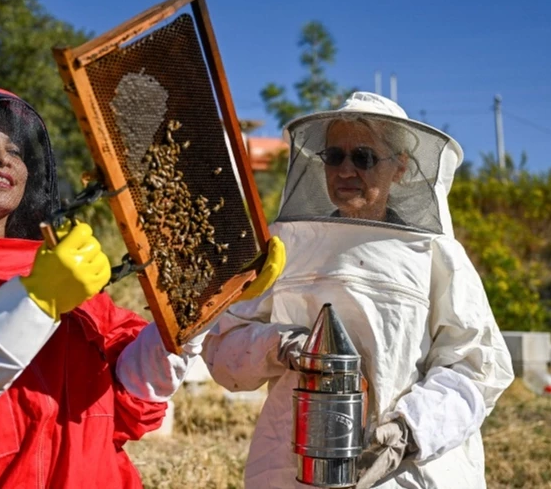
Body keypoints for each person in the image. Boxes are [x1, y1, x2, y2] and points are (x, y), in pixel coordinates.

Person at [0, 88, 285, 488]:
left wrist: (198, 306)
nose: (3, 157)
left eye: (15, 150)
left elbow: (132, 395)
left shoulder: (66, 275)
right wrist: (36, 302)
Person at [202, 92, 514, 489]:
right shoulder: (284, 248)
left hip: (403, 473)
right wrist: (278, 345)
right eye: (334, 156)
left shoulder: (436, 254)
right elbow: (223, 348)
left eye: (363, 157)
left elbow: (476, 367)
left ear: (399, 167)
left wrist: (408, 433)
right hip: (292, 466)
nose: (346, 169)